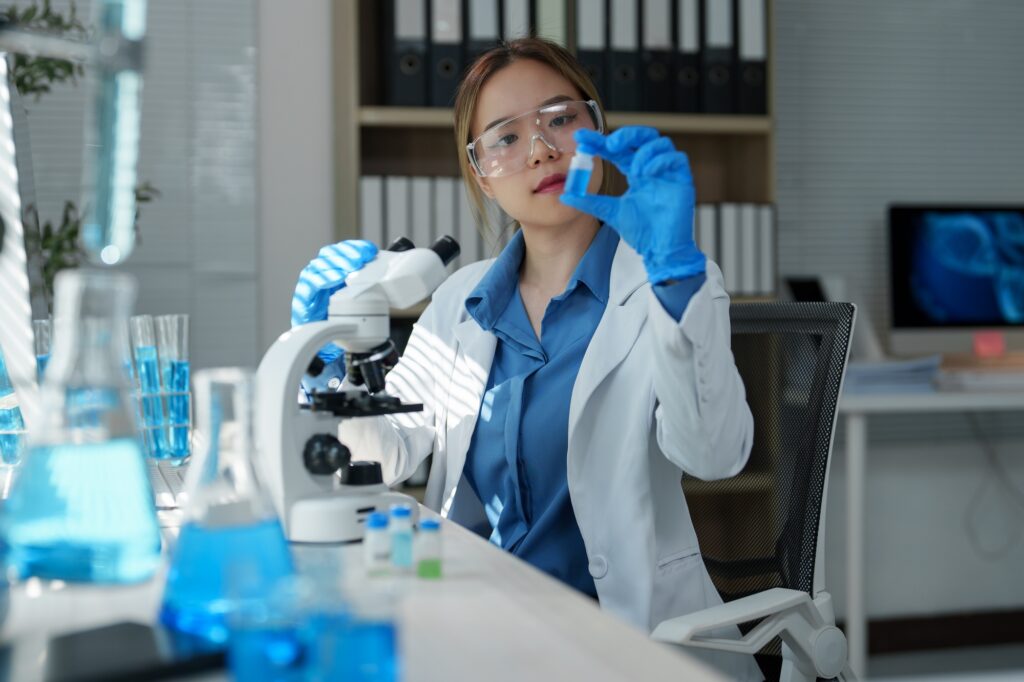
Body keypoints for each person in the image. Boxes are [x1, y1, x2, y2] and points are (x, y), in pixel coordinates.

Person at [292, 38, 759, 679]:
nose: (541, 149)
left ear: (596, 130)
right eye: (505, 138)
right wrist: (327, 356)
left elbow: (714, 454)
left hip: (609, 642)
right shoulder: (462, 299)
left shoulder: (668, 283)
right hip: (466, 617)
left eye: (560, 119)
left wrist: (676, 280)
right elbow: (384, 451)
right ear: (480, 171)